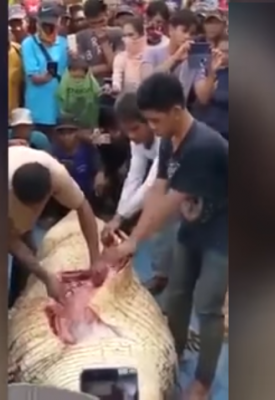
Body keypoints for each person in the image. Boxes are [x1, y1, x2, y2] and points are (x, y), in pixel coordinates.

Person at [103, 74, 228, 400]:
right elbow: (157, 191)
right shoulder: (169, 140)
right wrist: (131, 231)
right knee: (178, 293)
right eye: (148, 120)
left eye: (156, 120)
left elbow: (169, 205)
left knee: (208, 305)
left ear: (176, 110)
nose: (152, 128)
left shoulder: (203, 145)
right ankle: (174, 351)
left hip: (223, 232)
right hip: (193, 225)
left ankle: (203, 382)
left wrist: (133, 242)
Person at [8, 145, 100, 306]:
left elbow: (83, 207)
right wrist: (46, 277)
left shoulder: (58, 175)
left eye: (37, 207)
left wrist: (95, 259)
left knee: (27, 240)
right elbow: (10, 241)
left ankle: (23, 287)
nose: (33, 211)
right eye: (28, 207)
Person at [102, 92, 174, 295]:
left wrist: (122, 217)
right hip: (164, 181)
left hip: (190, 181)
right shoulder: (136, 141)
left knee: (170, 224)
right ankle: (162, 274)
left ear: (150, 122)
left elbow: (152, 183)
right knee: (159, 223)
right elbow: (134, 176)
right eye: (127, 131)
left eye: (135, 128)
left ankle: (176, 277)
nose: (132, 136)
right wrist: (119, 215)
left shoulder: (166, 138)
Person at [21, 3, 68, 138]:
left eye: (52, 24)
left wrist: (75, 58)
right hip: (38, 111)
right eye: (45, 24)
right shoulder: (28, 44)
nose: (48, 28)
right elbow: (35, 78)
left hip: (61, 110)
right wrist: (49, 74)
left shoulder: (64, 43)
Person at [51, 115, 106, 204]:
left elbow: (99, 166)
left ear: (77, 133)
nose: (66, 137)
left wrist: (100, 173)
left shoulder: (88, 148)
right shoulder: (54, 151)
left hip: (87, 195)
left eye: (70, 133)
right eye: (62, 134)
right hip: (63, 198)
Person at [76, 0, 124, 85]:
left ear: (107, 14)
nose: (98, 26)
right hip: (90, 86)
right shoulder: (80, 37)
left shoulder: (118, 33)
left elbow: (115, 66)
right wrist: (106, 67)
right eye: (93, 23)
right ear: (87, 20)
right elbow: (80, 72)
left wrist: (104, 41)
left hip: (114, 85)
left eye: (101, 21)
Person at [192, 34, 228, 139]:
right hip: (205, 128)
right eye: (221, 51)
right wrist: (212, 72)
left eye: (228, 51)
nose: (224, 55)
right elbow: (204, 98)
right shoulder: (204, 70)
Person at [56, 55, 101, 130]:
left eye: (80, 77)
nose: (77, 80)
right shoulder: (65, 81)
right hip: (69, 115)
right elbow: (60, 95)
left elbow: (97, 92)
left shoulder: (90, 80)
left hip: (87, 115)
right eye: (74, 77)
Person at [111, 16, 147, 93]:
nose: (127, 39)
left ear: (141, 35)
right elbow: (117, 77)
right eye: (125, 35)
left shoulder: (151, 54)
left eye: (131, 35)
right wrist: (116, 87)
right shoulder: (120, 58)